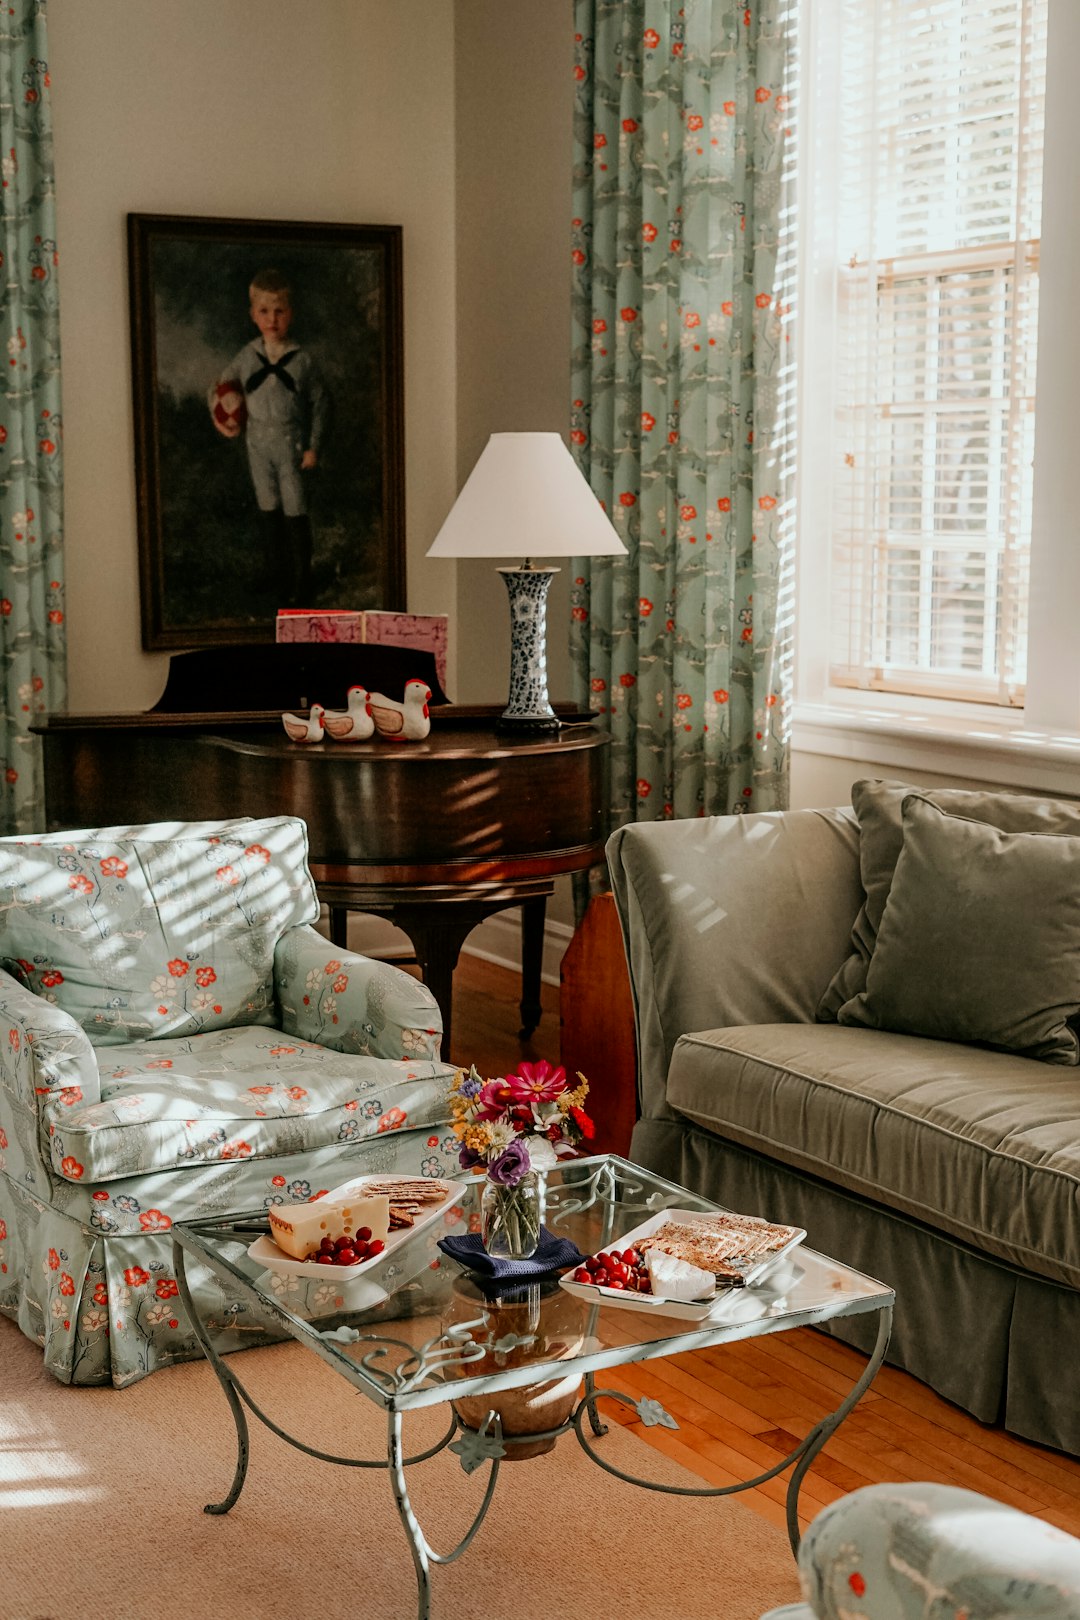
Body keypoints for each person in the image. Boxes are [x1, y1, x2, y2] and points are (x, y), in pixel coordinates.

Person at [209, 269, 329, 605]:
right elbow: (220, 387)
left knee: (295, 508)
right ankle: (275, 573)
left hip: (289, 441)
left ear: (290, 314)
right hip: (256, 441)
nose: (272, 319)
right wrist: (224, 420)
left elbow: (320, 403)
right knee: (268, 505)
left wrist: (313, 446)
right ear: (253, 315)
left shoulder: (302, 359)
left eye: (279, 311)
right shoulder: (247, 356)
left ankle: (302, 579)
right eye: (264, 311)